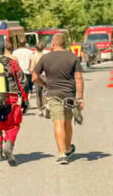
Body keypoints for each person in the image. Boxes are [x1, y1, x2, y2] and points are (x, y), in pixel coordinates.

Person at [32, 31, 83, 164]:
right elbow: (78, 78)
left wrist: (44, 84)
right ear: (65, 44)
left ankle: (61, 154)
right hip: (69, 95)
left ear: (53, 44)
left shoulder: (45, 58)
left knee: (58, 123)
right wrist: (81, 97)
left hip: (53, 94)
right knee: (67, 123)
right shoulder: (73, 57)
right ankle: (67, 148)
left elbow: (34, 77)